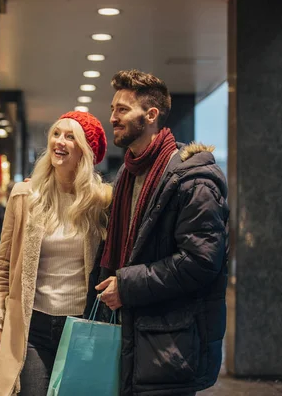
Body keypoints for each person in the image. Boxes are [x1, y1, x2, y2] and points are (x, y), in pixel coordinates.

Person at [85, 69, 229, 396]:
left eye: (122, 110)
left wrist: (128, 284)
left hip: (171, 346)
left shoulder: (192, 179)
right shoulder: (127, 175)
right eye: (112, 110)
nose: (113, 118)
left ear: (150, 115)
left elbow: (201, 261)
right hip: (128, 336)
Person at [0, 111, 112, 396]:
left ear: (85, 150)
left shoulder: (101, 202)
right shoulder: (24, 196)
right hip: (33, 326)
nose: (59, 141)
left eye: (70, 136)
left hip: (80, 328)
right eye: (56, 133)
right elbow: (3, 264)